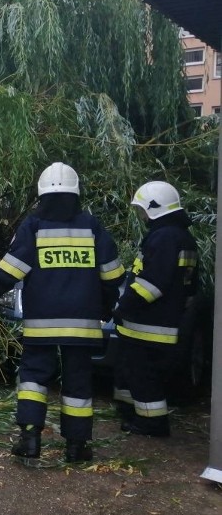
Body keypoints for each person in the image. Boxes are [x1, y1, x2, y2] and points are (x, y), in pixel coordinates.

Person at [0, 162, 124, 463]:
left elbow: (10, 271)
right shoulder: (92, 227)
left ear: (41, 194)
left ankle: (29, 439)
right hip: (82, 326)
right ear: (76, 193)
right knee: (79, 383)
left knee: (33, 379)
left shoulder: (33, 226)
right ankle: (77, 446)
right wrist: (106, 309)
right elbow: (113, 277)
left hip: (41, 324)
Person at [112, 181, 198, 438]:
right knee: (132, 371)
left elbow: (153, 284)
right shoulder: (182, 237)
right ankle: (132, 414)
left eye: (142, 210)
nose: (141, 215)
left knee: (143, 376)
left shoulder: (165, 237)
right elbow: (191, 287)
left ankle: (153, 424)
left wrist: (123, 307)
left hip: (148, 324)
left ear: (154, 208)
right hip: (162, 321)